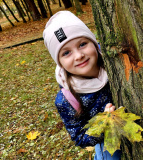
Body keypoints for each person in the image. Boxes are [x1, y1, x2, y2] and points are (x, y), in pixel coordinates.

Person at [43, 11, 121, 160]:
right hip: (110, 149)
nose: (78, 56)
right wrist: (103, 125)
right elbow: (79, 138)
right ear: (59, 62)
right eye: (66, 53)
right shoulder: (67, 99)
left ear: (94, 43)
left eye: (82, 44)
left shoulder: (114, 62)